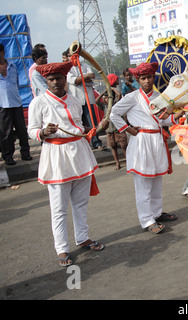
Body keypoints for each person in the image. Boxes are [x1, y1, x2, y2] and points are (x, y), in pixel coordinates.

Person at [27, 61, 106, 267]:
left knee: (80, 202)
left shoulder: (73, 100)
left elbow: (77, 125)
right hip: (56, 155)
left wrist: (91, 128)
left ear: (65, 80)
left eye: (59, 78)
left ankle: (82, 238)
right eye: (51, 79)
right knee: (59, 208)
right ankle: (61, 248)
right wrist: (43, 133)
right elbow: (31, 130)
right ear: (46, 81)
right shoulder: (39, 102)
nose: (55, 82)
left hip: (79, 153)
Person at [109, 62, 181, 234]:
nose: (147, 81)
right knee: (143, 184)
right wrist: (127, 129)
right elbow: (114, 113)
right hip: (141, 141)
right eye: (143, 78)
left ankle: (156, 213)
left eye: (149, 77)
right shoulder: (132, 97)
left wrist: (179, 114)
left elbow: (162, 121)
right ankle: (146, 220)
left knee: (156, 180)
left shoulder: (159, 96)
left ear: (153, 77)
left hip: (156, 139)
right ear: (138, 80)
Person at [0, 43, 32, 165]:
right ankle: (8, 156)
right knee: (6, 133)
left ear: (2, 53)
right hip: (2, 104)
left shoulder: (12, 67)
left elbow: (17, 84)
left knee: (21, 130)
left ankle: (26, 153)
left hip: (16, 102)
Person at [67, 51, 105, 150]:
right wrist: (85, 77)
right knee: (79, 122)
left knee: (91, 121)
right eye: (71, 55)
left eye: (76, 55)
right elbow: (74, 80)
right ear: (68, 56)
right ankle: (83, 143)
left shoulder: (85, 66)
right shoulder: (67, 68)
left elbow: (91, 76)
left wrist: (81, 78)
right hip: (75, 100)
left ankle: (96, 142)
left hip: (88, 98)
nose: (74, 57)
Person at [95, 74, 127, 170]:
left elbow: (119, 95)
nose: (105, 99)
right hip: (109, 129)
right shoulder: (105, 106)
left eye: (107, 97)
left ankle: (128, 161)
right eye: (104, 98)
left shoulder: (116, 103)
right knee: (113, 146)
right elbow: (97, 101)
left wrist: (111, 89)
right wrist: (105, 91)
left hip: (118, 127)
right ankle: (117, 163)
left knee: (123, 146)